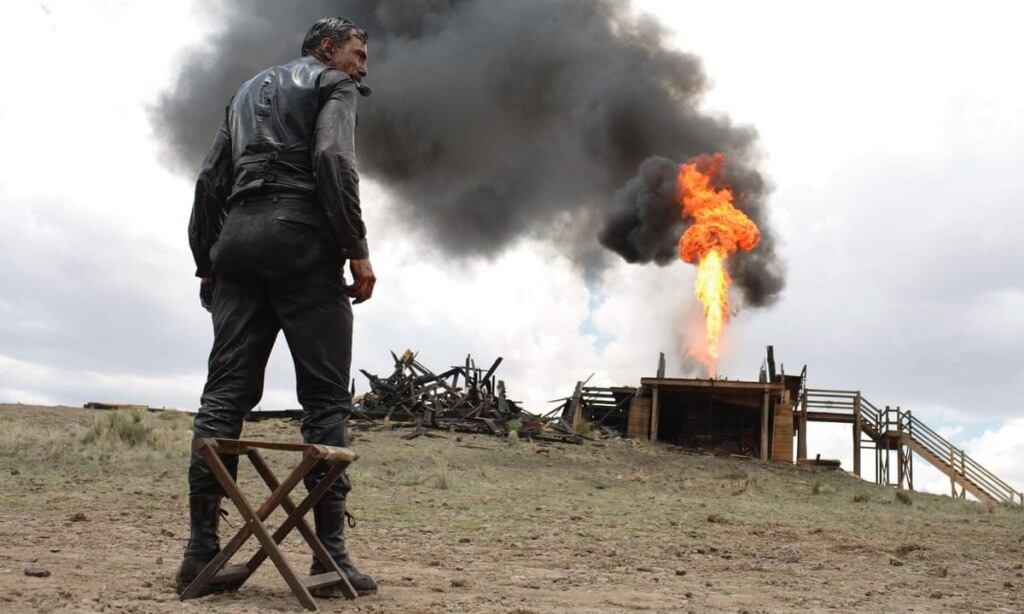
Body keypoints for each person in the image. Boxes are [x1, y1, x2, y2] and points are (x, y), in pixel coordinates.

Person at [176, 17, 377, 598]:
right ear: (326, 49)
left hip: (235, 239)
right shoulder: (331, 86)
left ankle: (200, 554)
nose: (363, 67)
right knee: (324, 399)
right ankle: (328, 559)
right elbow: (333, 161)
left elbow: (209, 182)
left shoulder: (242, 94)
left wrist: (207, 260)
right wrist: (356, 250)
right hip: (301, 240)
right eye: (357, 54)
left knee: (223, 399)